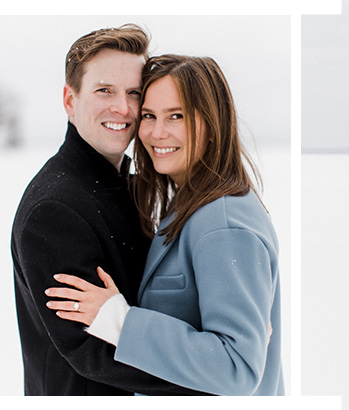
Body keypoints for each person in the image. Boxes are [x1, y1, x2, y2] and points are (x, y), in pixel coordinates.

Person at [44, 54, 284, 395]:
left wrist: (121, 321)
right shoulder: (190, 204)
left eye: (177, 116)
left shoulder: (225, 225)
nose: (157, 133)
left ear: (213, 124)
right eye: (149, 116)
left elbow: (238, 369)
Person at [11, 24, 204, 396]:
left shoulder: (123, 183)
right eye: (104, 91)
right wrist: (217, 373)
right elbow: (92, 351)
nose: (123, 108)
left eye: (134, 93)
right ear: (70, 100)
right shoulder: (54, 210)